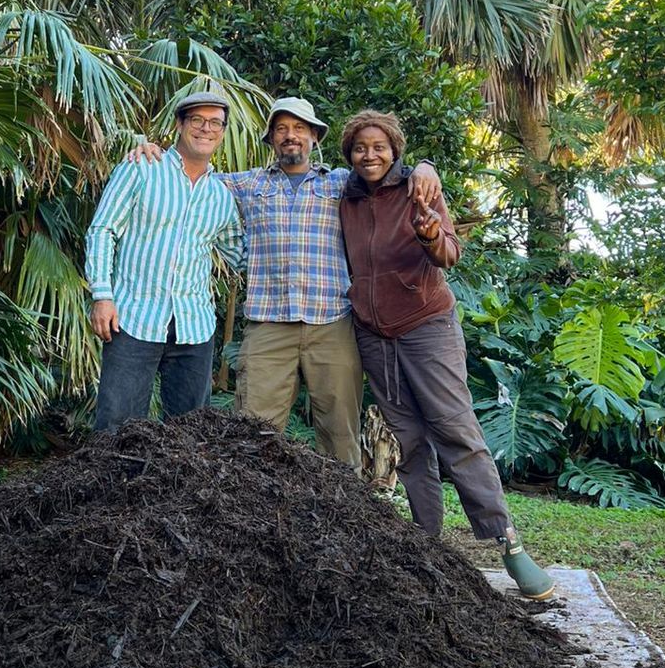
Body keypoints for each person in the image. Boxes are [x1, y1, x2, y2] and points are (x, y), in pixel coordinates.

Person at [129, 95, 441, 466]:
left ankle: (342, 502)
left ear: (314, 137)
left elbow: (386, 175)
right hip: (268, 325)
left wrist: (426, 166)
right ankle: (248, 502)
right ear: (272, 139)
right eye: (281, 129)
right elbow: (193, 177)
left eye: (299, 128)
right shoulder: (248, 184)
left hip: (331, 322)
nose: (290, 135)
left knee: (340, 433)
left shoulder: (341, 183)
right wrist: (151, 150)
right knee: (251, 436)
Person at [338, 109, 555, 599]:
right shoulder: (343, 196)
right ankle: (427, 545)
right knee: (409, 442)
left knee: (457, 432)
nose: (369, 155)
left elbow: (449, 254)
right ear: (349, 154)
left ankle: (509, 544)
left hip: (426, 328)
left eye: (379, 147)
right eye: (360, 148)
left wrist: (431, 231)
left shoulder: (419, 189)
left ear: (395, 151)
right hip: (374, 336)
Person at [85, 91, 244, 432]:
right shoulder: (141, 168)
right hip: (132, 319)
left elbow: (240, 255)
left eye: (215, 123)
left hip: (194, 328)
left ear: (222, 131)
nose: (206, 129)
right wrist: (102, 295)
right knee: (117, 429)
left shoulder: (221, 196)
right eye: (197, 120)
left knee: (190, 434)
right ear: (180, 125)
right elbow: (103, 230)